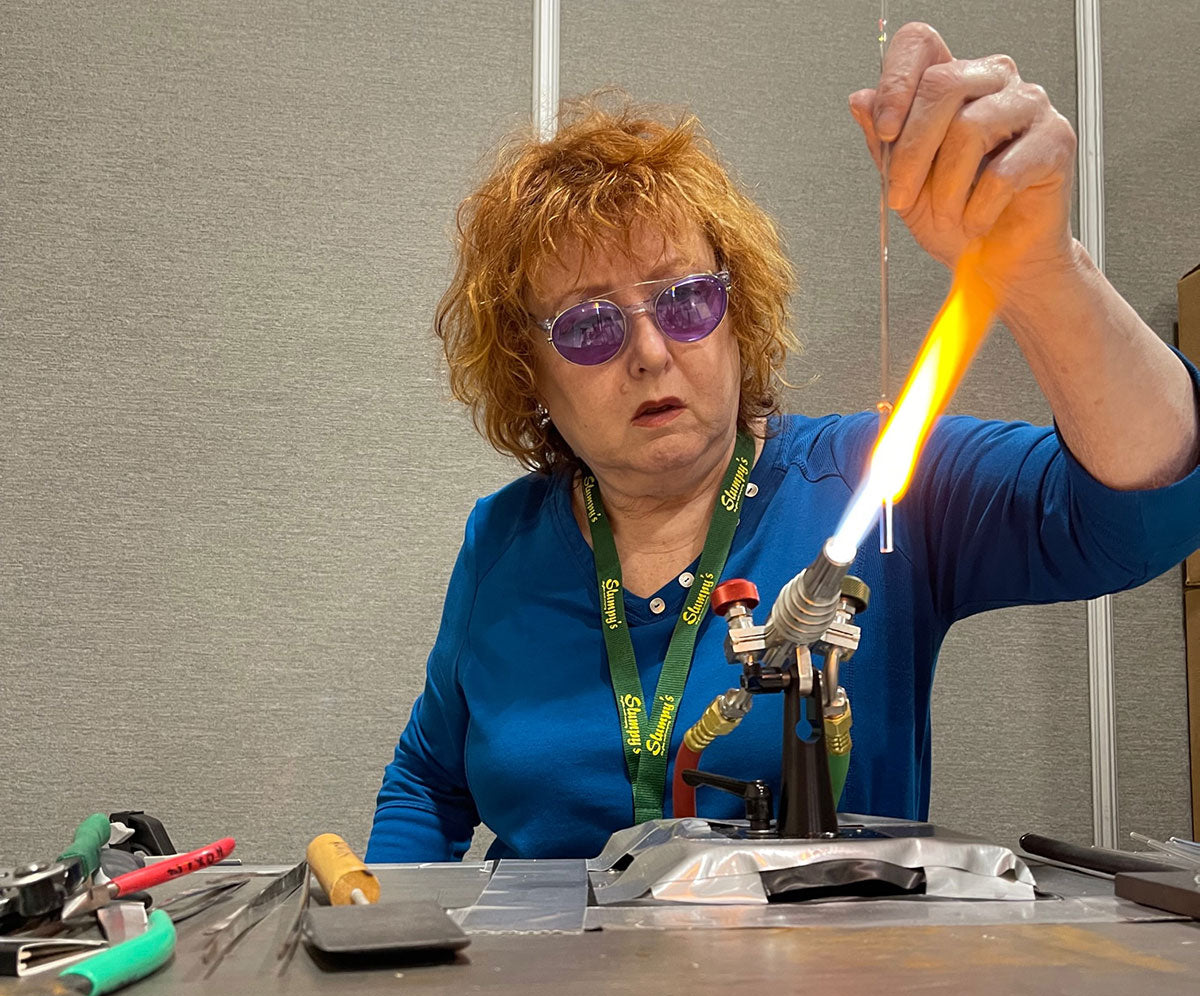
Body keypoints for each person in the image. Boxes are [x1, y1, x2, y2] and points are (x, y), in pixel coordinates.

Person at [366, 23, 1200, 863]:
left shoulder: (871, 483)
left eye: (686, 301)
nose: (650, 352)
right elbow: (428, 781)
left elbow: (1141, 518)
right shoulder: (501, 540)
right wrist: (383, 924)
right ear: (530, 374)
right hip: (542, 954)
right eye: (590, 326)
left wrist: (1042, 268)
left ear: (740, 318)